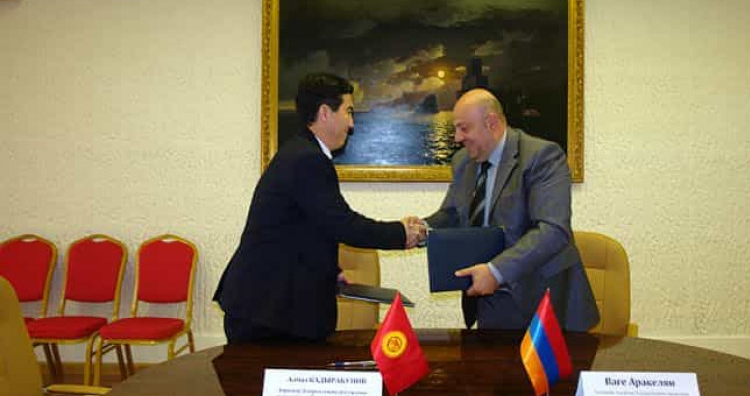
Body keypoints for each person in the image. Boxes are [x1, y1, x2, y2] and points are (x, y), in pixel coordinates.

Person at [214, 73, 425, 343]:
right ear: (325, 113)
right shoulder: (307, 160)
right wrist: (401, 233)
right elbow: (343, 224)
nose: (351, 124)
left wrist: (329, 269)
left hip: (268, 306)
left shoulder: (301, 152)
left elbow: (303, 227)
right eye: (348, 112)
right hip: (268, 311)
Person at [424, 88, 599, 331]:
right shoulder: (463, 161)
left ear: (491, 123)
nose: (457, 138)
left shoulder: (542, 156)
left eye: (464, 128)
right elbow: (453, 213)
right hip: (489, 301)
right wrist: (422, 228)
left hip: (543, 300)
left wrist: (496, 271)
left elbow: (553, 229)